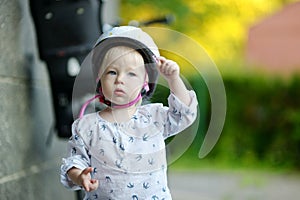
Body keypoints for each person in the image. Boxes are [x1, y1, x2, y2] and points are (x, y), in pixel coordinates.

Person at [60, 26, 198, 200]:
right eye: (111, 72)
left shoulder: (154, 118)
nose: (119, 80)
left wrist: (173, 79)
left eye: (131, 74)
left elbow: (184, 114)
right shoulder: (87, 126)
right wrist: (79, 175)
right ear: (99, 80)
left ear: (145, 82)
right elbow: (75, 160)